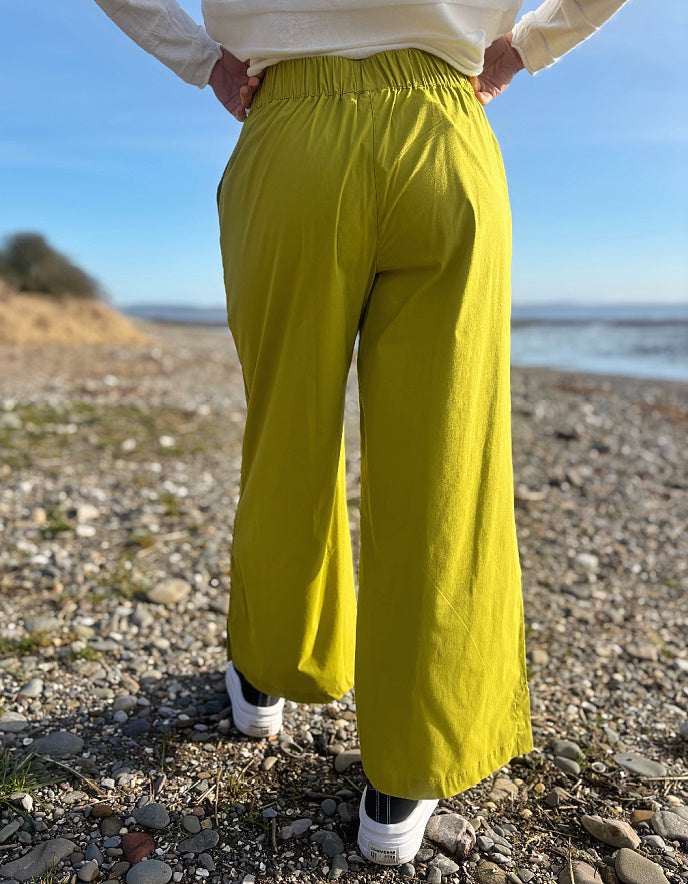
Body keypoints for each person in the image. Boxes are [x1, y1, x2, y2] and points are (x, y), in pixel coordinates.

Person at [93, 0, 629, 867]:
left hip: (291, 129)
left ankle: (269, 668)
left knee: (286, 430)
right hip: (443, 128)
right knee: (445, 459)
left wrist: (202, 61)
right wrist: (527, 47)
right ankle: (407, 767)